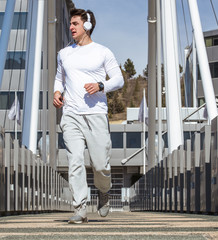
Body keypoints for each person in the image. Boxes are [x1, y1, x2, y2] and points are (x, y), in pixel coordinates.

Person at [53, 8, 124, 224]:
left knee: (100, 164)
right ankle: (80, 209)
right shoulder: (64, 53)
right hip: (71, 114)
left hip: (95, 114)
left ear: (88, 26)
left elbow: (119, 80)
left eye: (75, 23)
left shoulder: (102, 52)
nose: (71, 27)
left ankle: (104, 192)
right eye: (71, 23)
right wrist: (56, 92)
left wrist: (101, 85)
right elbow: (59, 79)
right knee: (74, 161)